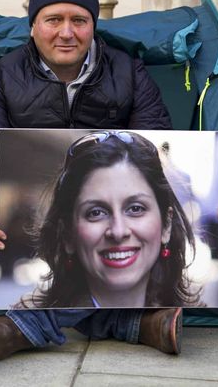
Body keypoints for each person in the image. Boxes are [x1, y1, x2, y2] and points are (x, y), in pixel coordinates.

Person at [0, 0, 218, 368]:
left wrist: (216, 209)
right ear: (33, 26)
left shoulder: (129, 72)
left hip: (92, 227)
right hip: (46, 224)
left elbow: (161, 156)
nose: (66, 33)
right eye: (53, 20)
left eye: (79, 21)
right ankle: (125, 324)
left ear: (93, 26)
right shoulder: (2, 75)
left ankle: (21, 329)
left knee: (119, 244)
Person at [17, 130, 200, 309]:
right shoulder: (22, 329)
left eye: (135, 209)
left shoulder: (194, 322)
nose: (118, 231)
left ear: (166, 225)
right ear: (67, 235)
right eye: (96, 212)